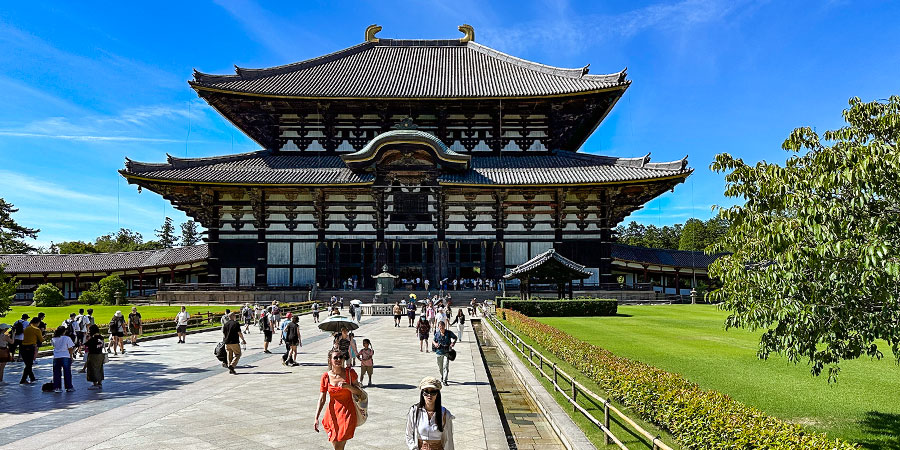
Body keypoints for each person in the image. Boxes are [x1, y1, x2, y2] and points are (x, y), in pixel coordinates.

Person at [314, 349, 364, 449]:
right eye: (335, 357)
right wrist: (316, 417)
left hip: (347, 412)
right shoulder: (326, 377)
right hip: (332, 414)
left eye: (341, 357)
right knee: (336, 443)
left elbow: (359, 393)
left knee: (339, 445)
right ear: (330, 360)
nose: (338, 359)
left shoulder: (350, 373)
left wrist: (348, 387)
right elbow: (322, 398)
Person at [406, 376, 455, 450]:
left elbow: (449, 439)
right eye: (426, 392)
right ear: (422, 394)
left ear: (437, 394)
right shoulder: (414, 411)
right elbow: (409, 435)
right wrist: (413, 448)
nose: (429, 395)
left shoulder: (445, 414)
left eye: (433, 392)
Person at [51, 325, 76, 393]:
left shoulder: (54, 339)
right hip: (65, 356)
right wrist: (71, 356)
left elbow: (53, 346)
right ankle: (69, 387)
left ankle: (57, 387)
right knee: (67, 372)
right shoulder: (67, 338)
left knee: (56, 373)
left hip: (56, 356)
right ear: (64, 331)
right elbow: (70, 348)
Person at [20, 317, 42, 384]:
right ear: (38, 323)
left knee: (28, 364)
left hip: (23, 347)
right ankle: (23, 380)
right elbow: (41, 339)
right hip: (30, 347)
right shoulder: (36, 329)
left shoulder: (26, 328)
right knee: (29, 364)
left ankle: (32, 378)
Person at [84, 324, 105, 390]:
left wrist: (86, 338)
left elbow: (85, 344)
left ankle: (95, 384)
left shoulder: (92, 339)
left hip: (93, 355)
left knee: (92, 369)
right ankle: (100, 383)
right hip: (100, 354)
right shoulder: (101, 337)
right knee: (100, 369)